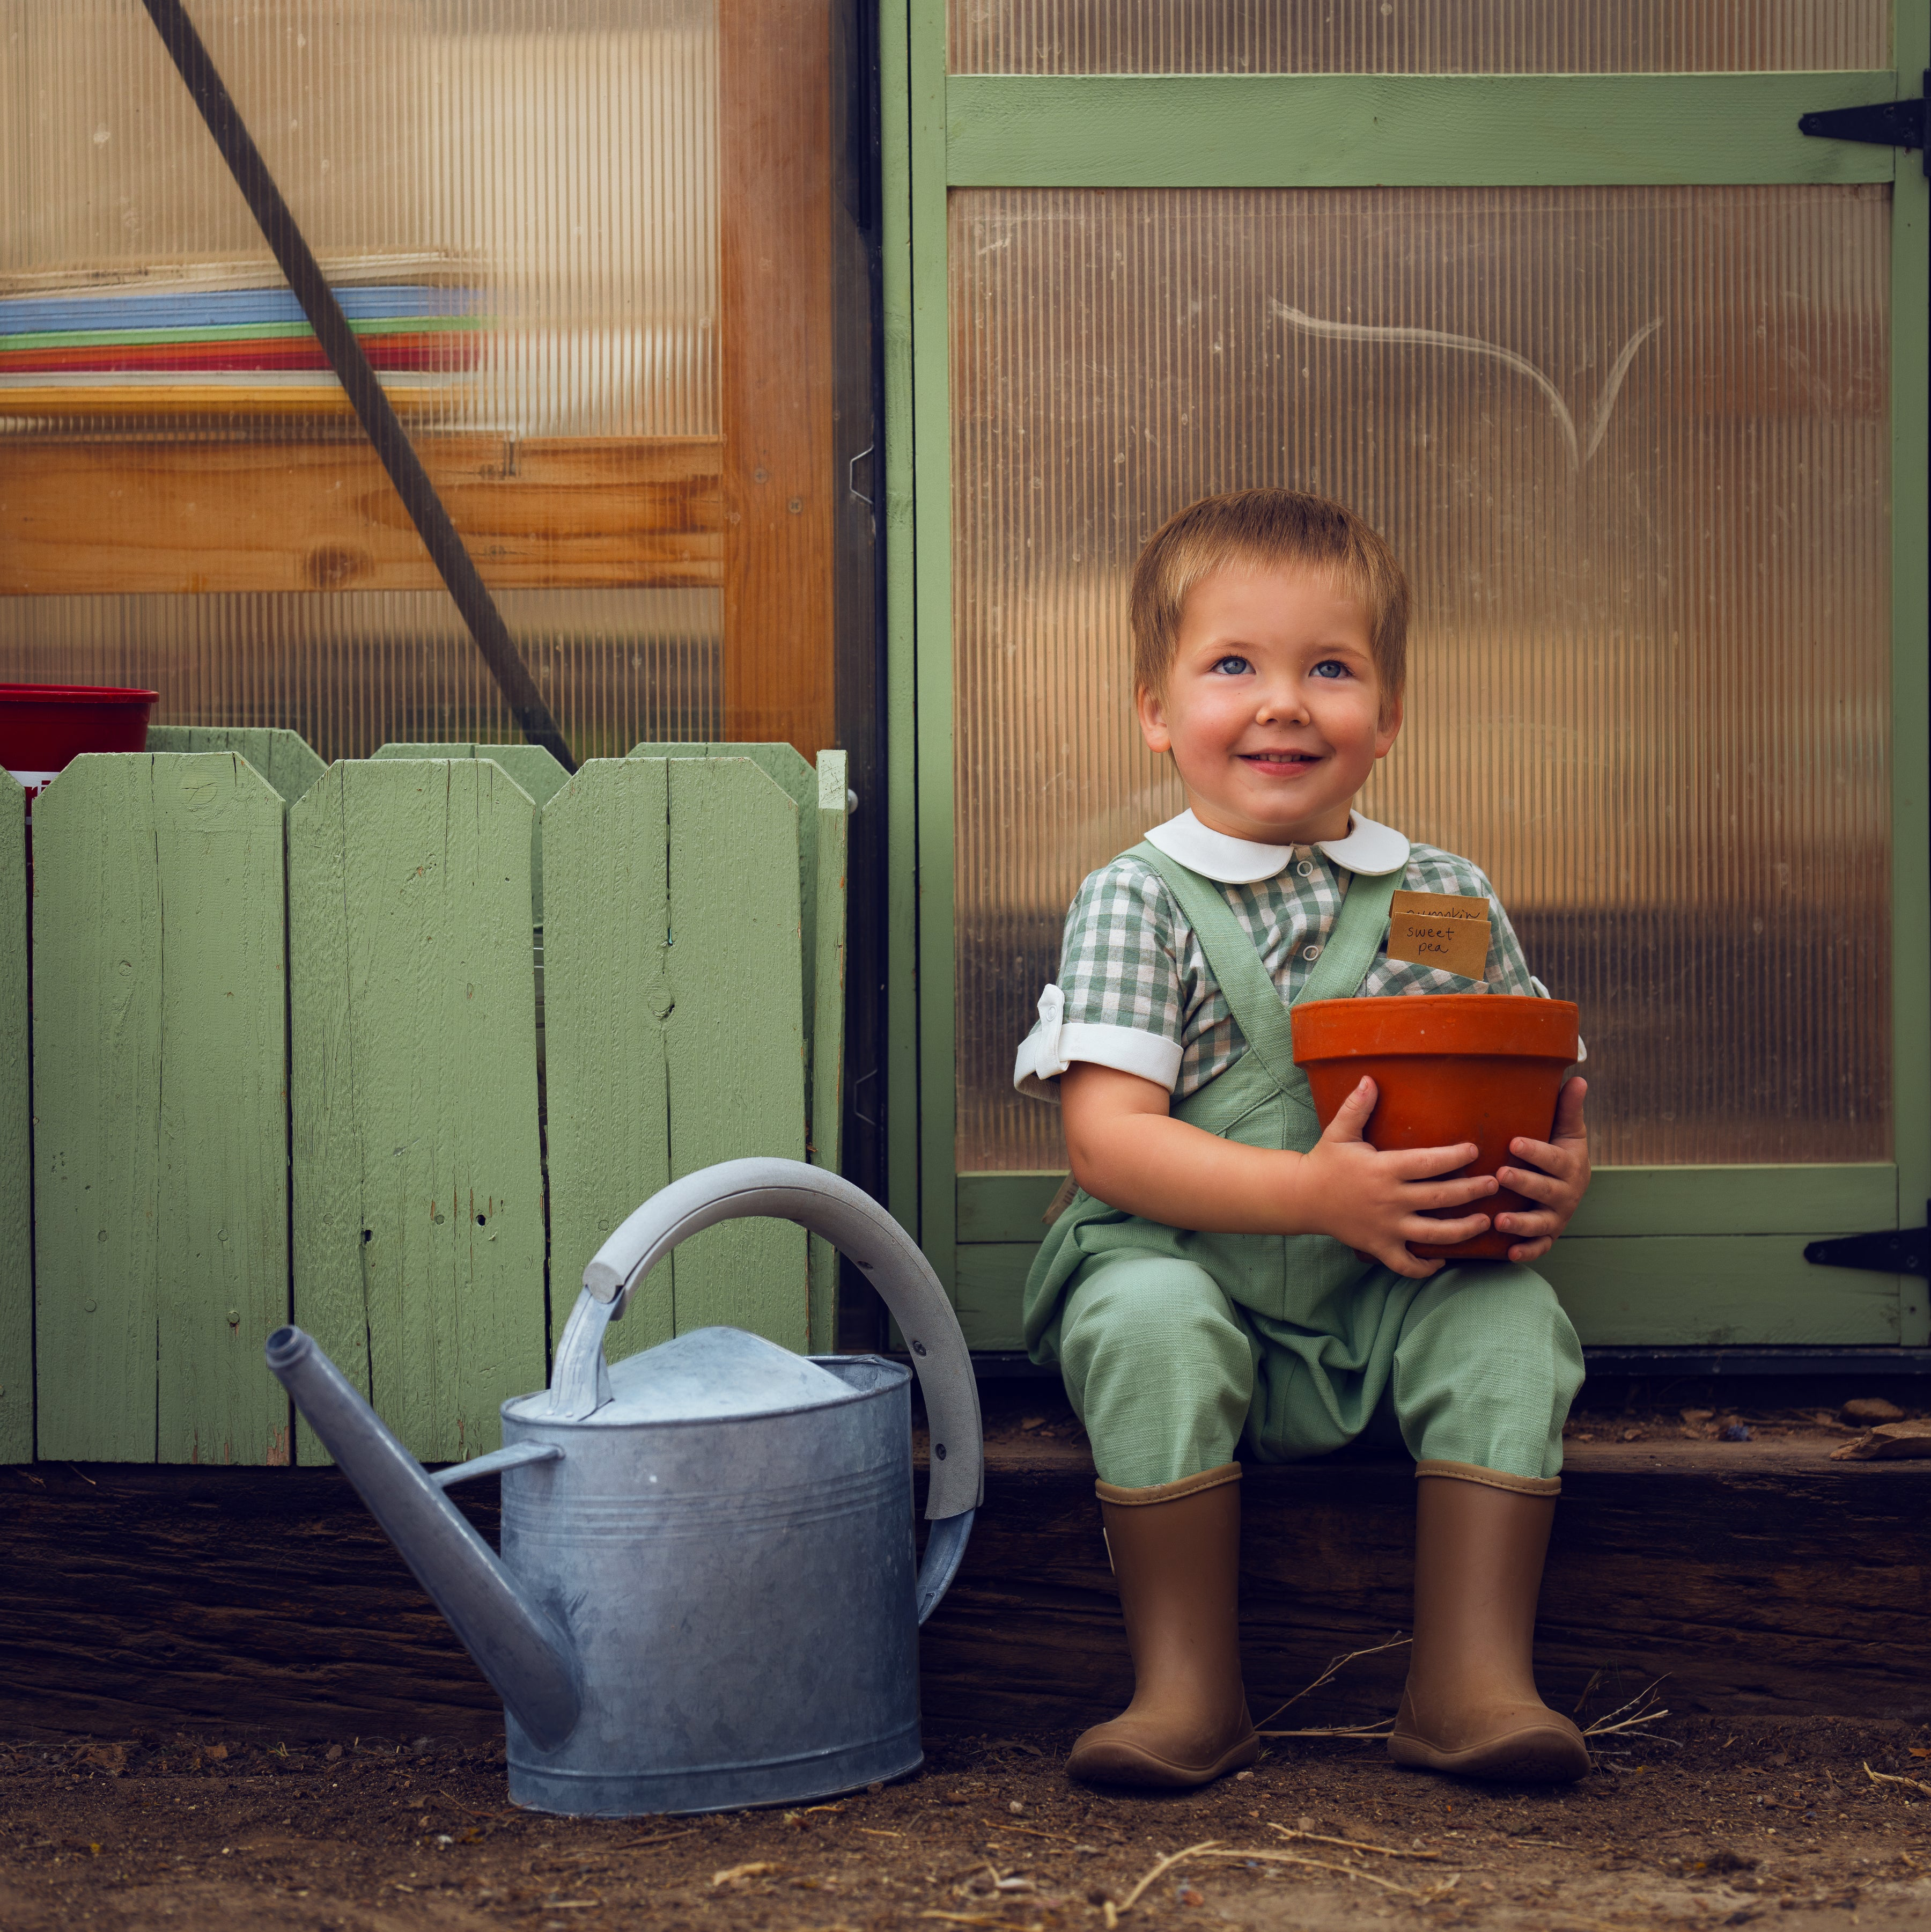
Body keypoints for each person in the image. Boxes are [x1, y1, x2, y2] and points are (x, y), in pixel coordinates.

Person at [1013, 488, 1593, 1791]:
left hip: (1391, 1293)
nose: (1283, 703)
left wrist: (1557, 1175)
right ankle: (1185, 1690)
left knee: (1513, 1323)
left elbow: (1541, 1089)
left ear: (1387, 717)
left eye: (1329, 669)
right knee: (1147, 1315)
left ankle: (1471, 1682)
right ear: (1156, 712)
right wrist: (1315, 1194)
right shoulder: (1136, 900)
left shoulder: (1442, 899)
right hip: (1189, 1271)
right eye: (1233, 666)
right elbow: (1109, 1146)